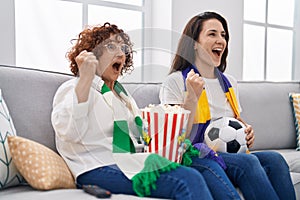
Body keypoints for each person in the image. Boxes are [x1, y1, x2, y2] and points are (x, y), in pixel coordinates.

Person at [51, 22, 241, 200]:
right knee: (187, 179)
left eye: (123, 49)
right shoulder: (74, 88)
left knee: (197, 170)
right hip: (95, 167)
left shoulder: (123, 97)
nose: (120, 53)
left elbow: (148, 137)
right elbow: (69, 133)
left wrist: (190, 99)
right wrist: (85, 78)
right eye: (111, 47)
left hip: (129, 161)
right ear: (93, 54)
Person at [159, 11, 296, 200]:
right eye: (212, 34)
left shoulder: (228, 82)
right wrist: (192, 97)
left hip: (226, 153)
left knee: (276, 160)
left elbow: (235, 121)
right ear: (195, 44)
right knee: (247, 163)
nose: (221, 40)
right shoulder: (175, 82)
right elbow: (176, 138)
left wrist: (246, 131)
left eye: (223, 35)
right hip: (193, 154)